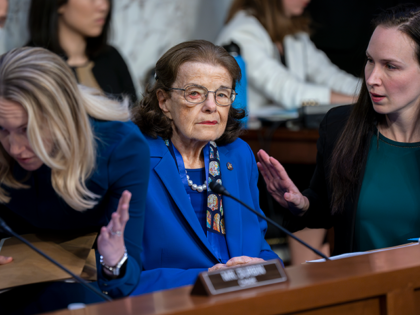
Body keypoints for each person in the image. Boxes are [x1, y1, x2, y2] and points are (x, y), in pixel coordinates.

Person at [258, 4, 420, 256]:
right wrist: (302, 204)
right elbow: (325, 206)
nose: (372, 78)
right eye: (369, 61)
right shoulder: (340, 127)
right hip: (364, 289)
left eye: (390, 66)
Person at [0, 47, 149, 314]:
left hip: (84, 285)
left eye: (27, 130)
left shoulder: (119, 145)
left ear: (62, 117)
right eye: (2, 129)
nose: (14, 148)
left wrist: (113, 260)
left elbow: (124, 281)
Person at [130, 40, 280, 295]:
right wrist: (204, 280)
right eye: (195, 93)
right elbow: (120, 274)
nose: (211, 106)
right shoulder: (135, 159)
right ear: (164, 101)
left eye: (221, 94)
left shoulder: (238, 155)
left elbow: (259, 244)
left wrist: (261, 266)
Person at [216, 0, 361, 112]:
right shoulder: (241, 32)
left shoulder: (292, 32)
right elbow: (289, 92)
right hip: (248, 139)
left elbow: (330, 75)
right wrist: (359, 101)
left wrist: (370, 90)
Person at [27, 0, 138, 104]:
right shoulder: (29, 64)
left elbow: (135, 117)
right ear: (59, 4)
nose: (104, 6)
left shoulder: (111, 57)